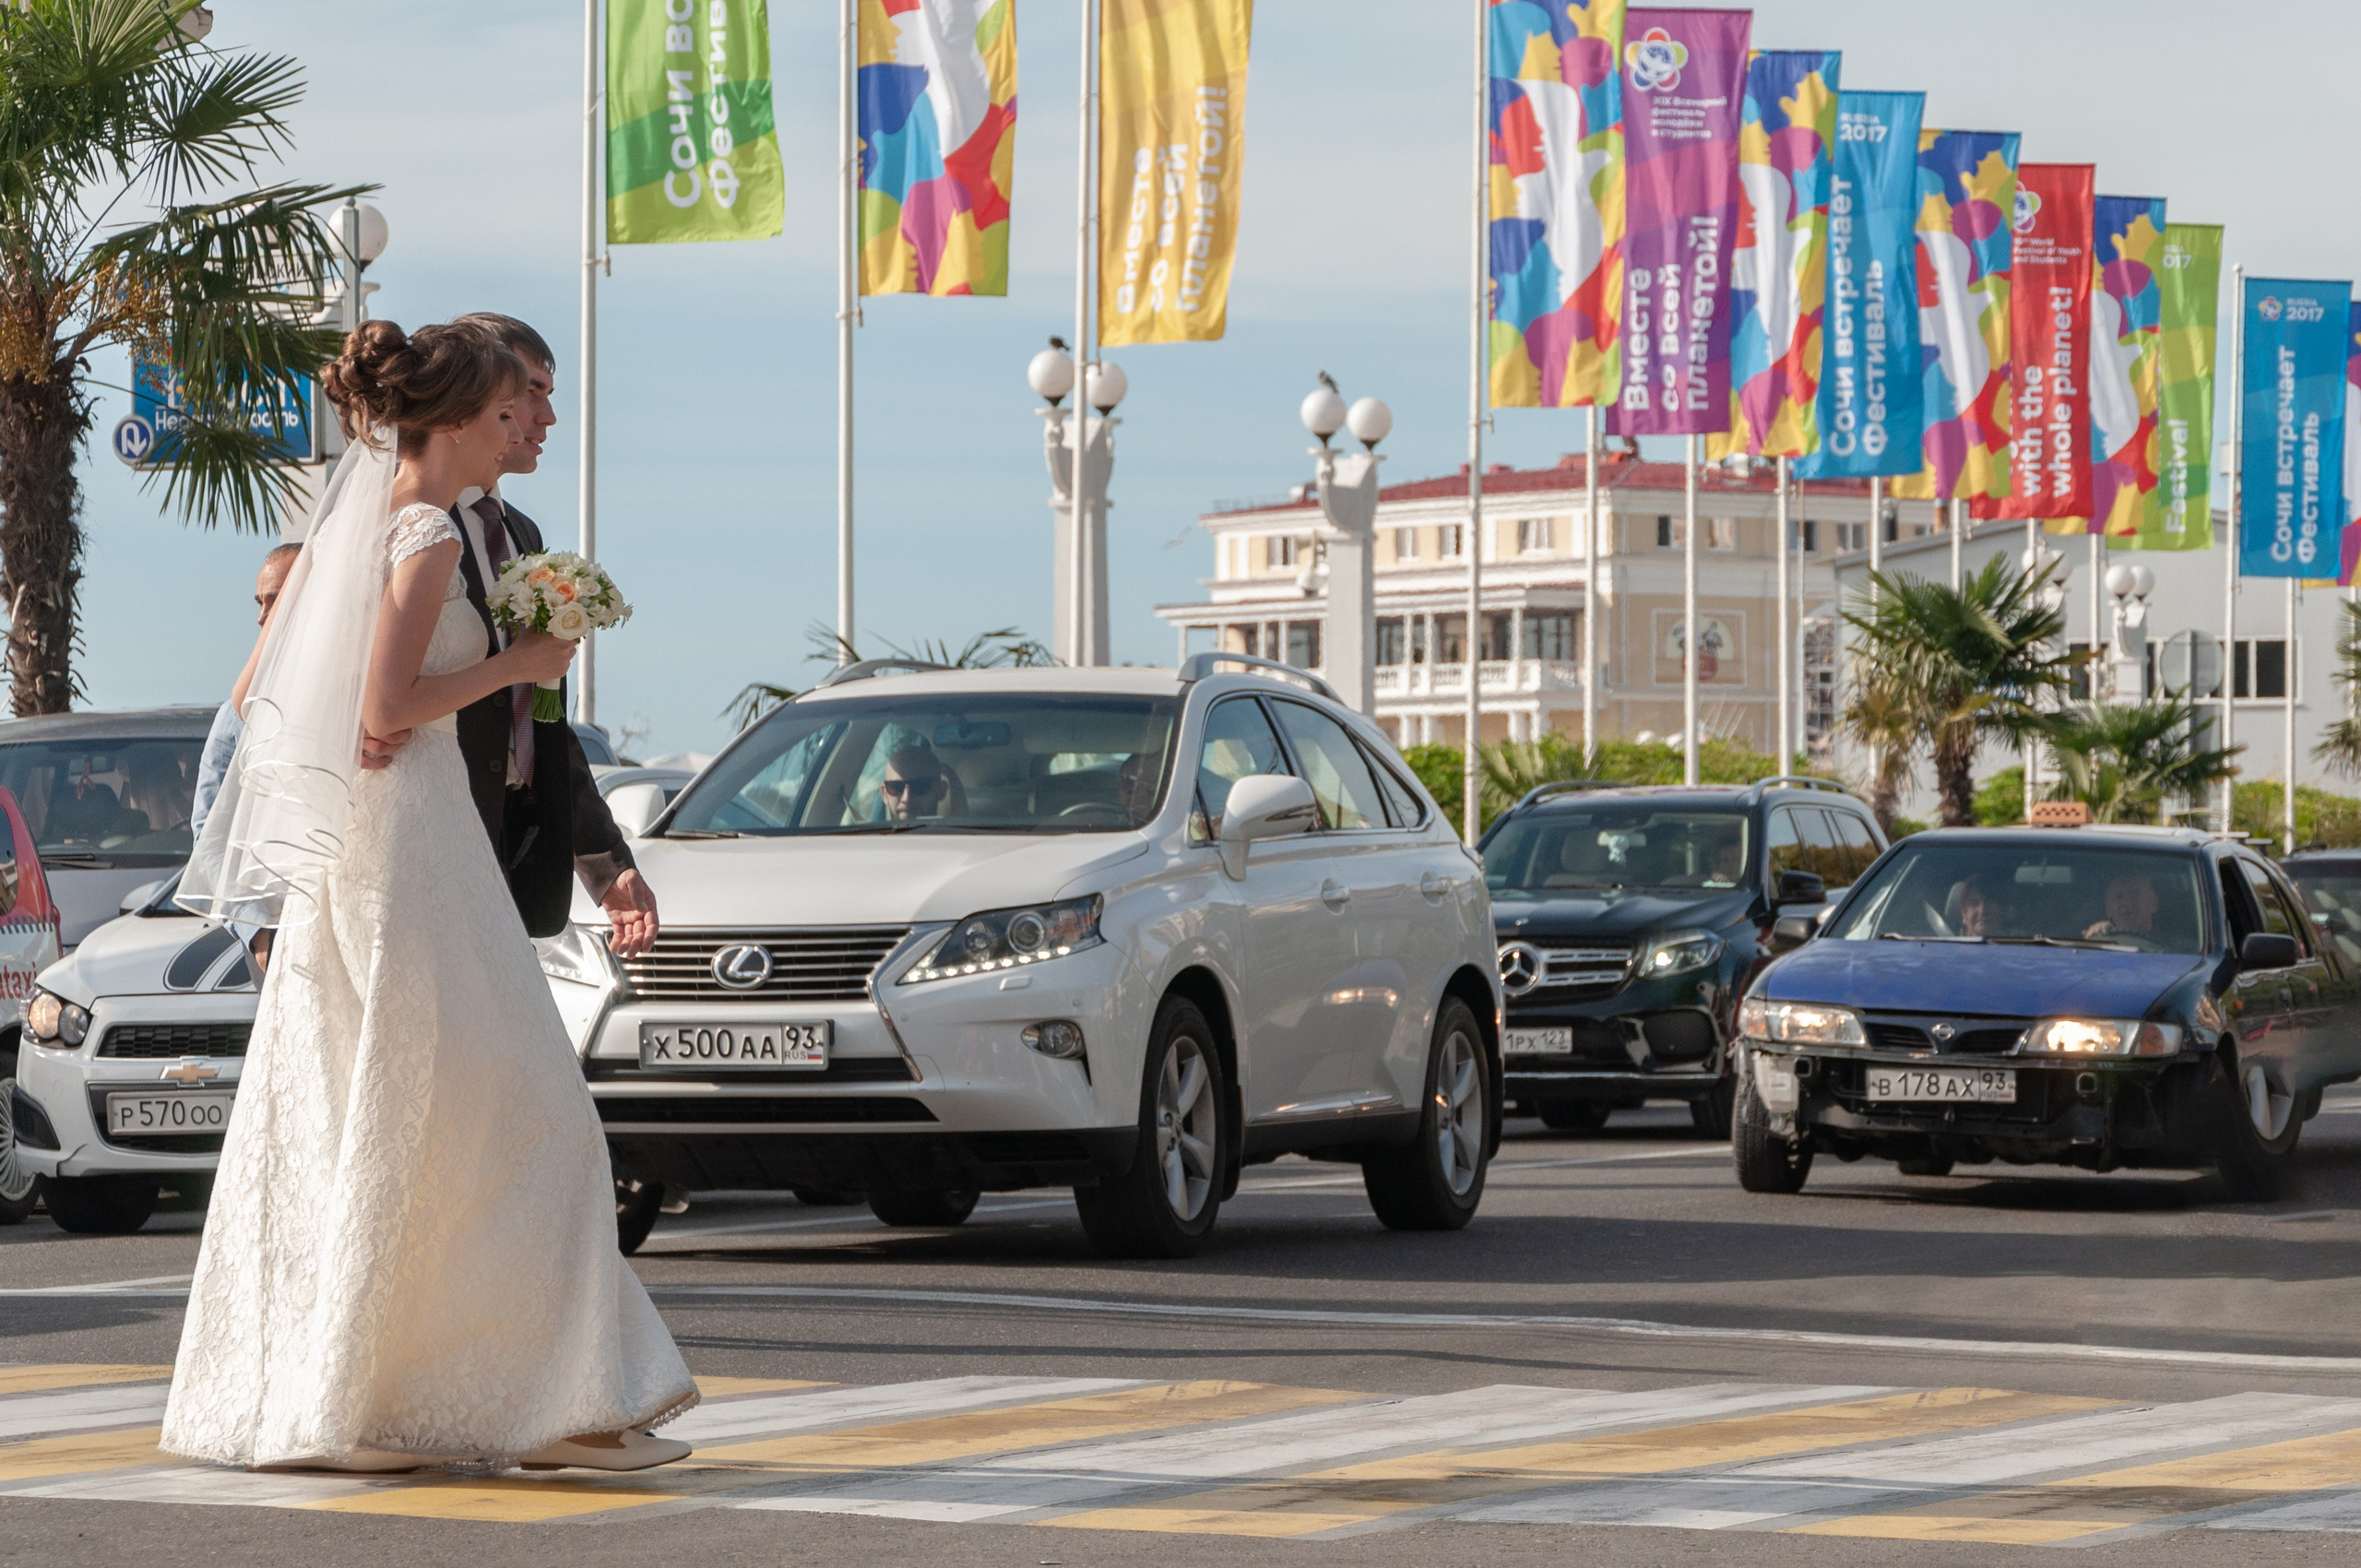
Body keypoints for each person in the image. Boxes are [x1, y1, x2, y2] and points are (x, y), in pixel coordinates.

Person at [165, 320, 695, 1475]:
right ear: (458, 418)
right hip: (409, 856)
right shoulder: (424, 536)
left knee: (400, 1119)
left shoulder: (385, 527)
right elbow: (381, 709)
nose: (534, 426)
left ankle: (420, 1399)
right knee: (524, 1118)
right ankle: (537, 1404)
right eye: (518, 409)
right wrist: (520, 663)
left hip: (410, 847)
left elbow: (303, 701)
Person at [361, 312, 657, 955]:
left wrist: (604, 861)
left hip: (510, 846)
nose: (543, 419)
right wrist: (343, 728)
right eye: (530, 394)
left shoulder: (521, 535)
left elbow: (540, 712)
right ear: (466, 402)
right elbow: (331, 673)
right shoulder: (399, 523)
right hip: (415, 833)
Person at [881, 745, 954, 821]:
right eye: (896, 787)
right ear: (884, 793)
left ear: (941, 790)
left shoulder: (961, 833)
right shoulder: (870, 832)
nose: (906, 798)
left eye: (919, 786)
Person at [2085, 872, 2160, 942]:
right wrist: (2094, 938)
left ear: (2154, 903)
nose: (2127, 903)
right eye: (2118, 897)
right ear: (2108, 909)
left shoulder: (2169, 946)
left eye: (2135, 895)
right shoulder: (2098, 941)